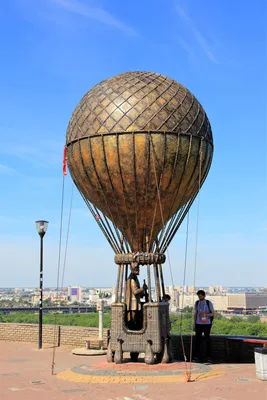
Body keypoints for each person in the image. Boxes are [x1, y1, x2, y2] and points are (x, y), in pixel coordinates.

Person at [193, 290, 214, 363]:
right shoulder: (197, 303)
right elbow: (195, 314)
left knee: (207, 340)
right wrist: (194, 324)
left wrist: (205, 315)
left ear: (204, 296)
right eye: (199, 296)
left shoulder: (208, 303)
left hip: (207, 324)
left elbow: (213, 314)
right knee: (197, 341)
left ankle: (209, 357)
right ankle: (196, 357)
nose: (199, 297)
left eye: (201, 296)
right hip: (199, 323)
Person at [126, 262, 144, 330]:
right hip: (133, 303)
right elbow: (135, 291)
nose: (139, 270)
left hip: (135, 302)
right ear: (134, 269)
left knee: (135, 318)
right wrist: (142, 289)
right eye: (138, 268)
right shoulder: (132, 279)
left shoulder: (134, 277)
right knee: (133, 319)